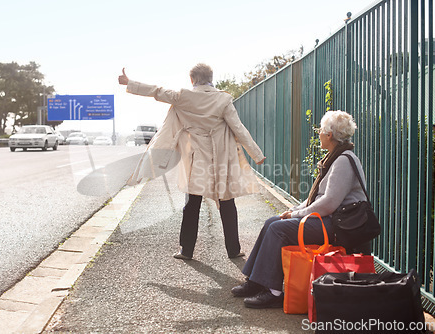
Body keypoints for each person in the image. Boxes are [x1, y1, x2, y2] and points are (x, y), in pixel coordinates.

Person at [118, 64, 265, 260]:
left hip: (197, 159)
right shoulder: (223, 99)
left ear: (192, 80)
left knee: (192, 204)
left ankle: (186, 250)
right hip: (220, 158)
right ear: (212, 78)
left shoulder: (183, 96)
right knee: (227, 203)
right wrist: (257, 155)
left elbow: (157, 91)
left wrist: (130, 83)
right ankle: (233, 250)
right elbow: (239, 129)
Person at [231, 110, 368, 309]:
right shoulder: (336, 157)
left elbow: (328, 203)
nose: (318, 134)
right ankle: (256, 281)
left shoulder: (343, 161)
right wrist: (294, 209)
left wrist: (296, 215)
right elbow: (318, 198)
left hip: (339, 226)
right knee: (273, 221)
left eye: (320, 130)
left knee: (278, 229)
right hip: (331, 220)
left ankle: (274, 292)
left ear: (329, 135)